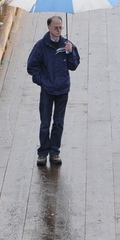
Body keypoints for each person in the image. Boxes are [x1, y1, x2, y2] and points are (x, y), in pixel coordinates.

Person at [26, 15, 80, 165]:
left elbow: (74, 66)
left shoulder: (67, 45)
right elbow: (32, 66)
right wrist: (42, 81)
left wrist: (70, 53)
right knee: (45, 123)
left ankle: (54, 152)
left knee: (58, 123)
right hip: (47, 90)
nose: (58, 30)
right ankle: (42, 153)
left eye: (60, 27)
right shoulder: (41, 46)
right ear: (49, 27)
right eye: (56, 27)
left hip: (62, 89)